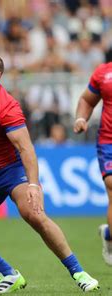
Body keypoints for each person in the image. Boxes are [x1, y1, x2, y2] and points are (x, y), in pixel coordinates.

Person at [0, 51, 99, 293]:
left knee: (34, 214)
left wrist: (34, 185)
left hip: (12, 171)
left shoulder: (6, 106)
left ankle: (79, 272)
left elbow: (26, 148)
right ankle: (7, 273)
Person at [73, 60, 112, 267]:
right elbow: (87, 100)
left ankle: (109, 233)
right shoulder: (103, 73)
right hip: (109, 142)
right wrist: (81, 118)